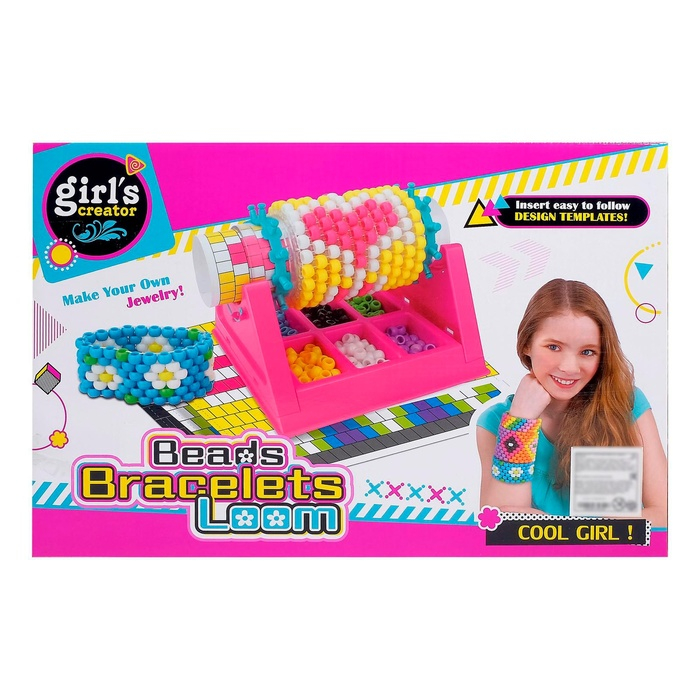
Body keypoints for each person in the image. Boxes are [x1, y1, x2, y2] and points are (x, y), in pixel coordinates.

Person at [477, 279, 667, 528]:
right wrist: (521, 421)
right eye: (553, 347)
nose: (569, 367)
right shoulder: (496, 421)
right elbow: (501, 528)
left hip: (610, 552)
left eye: (587, 352)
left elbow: (665, 515)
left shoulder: (622, 404)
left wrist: (558, 530)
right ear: (526, 345)